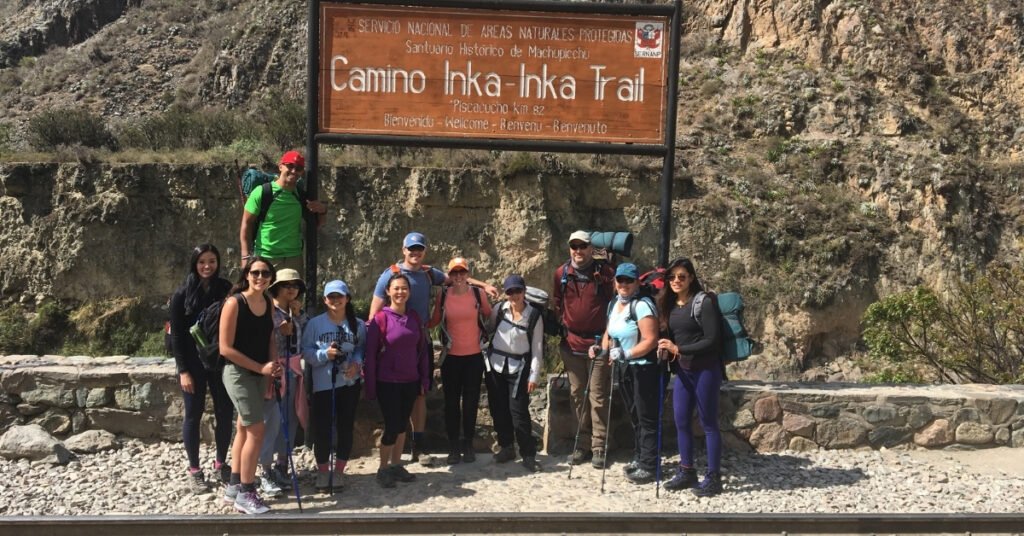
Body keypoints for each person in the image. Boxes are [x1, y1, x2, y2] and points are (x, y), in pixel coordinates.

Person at [368, 232, 497, 464]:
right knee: (394, 396)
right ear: (403, 250)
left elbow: (457, 278)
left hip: (421, 341)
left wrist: (483, 284)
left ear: (424, 251)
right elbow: (374, 314)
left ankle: (418, 446)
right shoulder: (390, 275)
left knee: (419, 393)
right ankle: (392, 454)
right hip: (394, 345)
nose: (415, 253)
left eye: (419, 249)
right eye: (411, 249)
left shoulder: (429, 274)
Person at [169, 244, 235, 494]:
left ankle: (221, 463)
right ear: (194, 264)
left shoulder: (225, 289)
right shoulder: (181, 295)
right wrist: (183, 370)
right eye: (202, 262)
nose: (207, 266)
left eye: (212, 261)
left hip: (218, 360)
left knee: (224, 411)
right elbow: (176, 336)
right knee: (193, 414)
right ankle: (195, 470)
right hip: (193, 363)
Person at [656, 257, 724, 497]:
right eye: (672, 277)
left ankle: (714, 477)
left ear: (691, 278)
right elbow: (673, 337)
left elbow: (711, 340)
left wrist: (679, 350)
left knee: (708, 424)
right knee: (681, 421)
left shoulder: (703, 302)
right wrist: (666, 348)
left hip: (705, 370)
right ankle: (687, 471)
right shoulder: (670, 304)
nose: (676, 281)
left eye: (681, 277)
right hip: (683, 371)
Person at [590, 263, 663, 484]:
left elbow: (651, 340)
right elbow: (609, 333)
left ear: (637, 283)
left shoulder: (642, 306)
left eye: (628, 280)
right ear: (615, 282)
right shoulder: (614, 304)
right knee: (635, 415)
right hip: (625, 367)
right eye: (620, 280)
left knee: (646, 416)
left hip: (644, 368)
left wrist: (626, 352)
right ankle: (640, 458)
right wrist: (601, 350)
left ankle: (650, 465)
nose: (623, 284)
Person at [220, 258, 282, 514]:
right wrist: (261, 369)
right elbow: (225, 349)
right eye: (255, 272)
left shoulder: (267, 302)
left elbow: (269, 337)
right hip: (238, 373)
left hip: (259, 373)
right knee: (257, 429)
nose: (260, 277)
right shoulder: (235, 303)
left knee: (244, 428)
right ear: (247, 275)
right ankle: (247, 492)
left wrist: (272, 365)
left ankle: (235, 485)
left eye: (265, 273)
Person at [552, 230, 615, 468]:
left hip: (599, 343)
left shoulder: (605, 273)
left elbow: (614, 303)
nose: (578, 251)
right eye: (574, 247)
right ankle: (582, 444)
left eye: (583, 246)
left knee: (597, 397)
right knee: (577, 395)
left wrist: (608, 338)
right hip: (572, 344)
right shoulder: (562, 274)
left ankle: (599, 446)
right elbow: (557, 303)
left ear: (591, 248)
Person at [364, 273, 430, 488]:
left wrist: (424, 378)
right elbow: (370, 355)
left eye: (404, 288)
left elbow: (421, 351)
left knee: (402, 425)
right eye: (396, 288)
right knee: (392, 426)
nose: (400, 292)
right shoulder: (380, 319)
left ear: (409, 292)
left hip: (410, 380)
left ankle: (396, 464)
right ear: (388, 291)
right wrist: (371, 387)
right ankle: (383, 469)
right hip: (387, 381)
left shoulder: (414, 318)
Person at [302, 279, 366, 493]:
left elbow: (360, 349)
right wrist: (324, 354)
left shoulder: (357, 324)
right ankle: (322, 470)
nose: (336, 300)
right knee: (322, 429)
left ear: (347, 298)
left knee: (345, 426)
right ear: (325, 300)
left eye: (340, 296)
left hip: (348, 383)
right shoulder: (315, 324)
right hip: (323, 385)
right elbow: (307, 353)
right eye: (331, 297)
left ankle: (339, 470)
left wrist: (356, 366)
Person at [427, 257, 492, 464]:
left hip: (474, 356)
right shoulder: (443, 294)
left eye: (462, 272)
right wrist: (415, 323)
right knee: (451, 403)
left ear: (467, 273)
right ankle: (454, 446)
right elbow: (435, 319)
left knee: (471, 403)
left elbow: (489, 316)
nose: (458, 276)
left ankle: (468, 445)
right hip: (451, 357)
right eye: (454, 273)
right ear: (449, 275)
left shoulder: (477, 293)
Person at [484, 275, 544, 472]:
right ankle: (506, 446)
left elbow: (537, 348)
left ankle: (528, 454)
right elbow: (487, 332)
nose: (514, 295)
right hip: (495, 365)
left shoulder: (534, 315)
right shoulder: (499, 310)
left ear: (524, 291)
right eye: (510, 291)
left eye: (517, 291)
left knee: (518, 411)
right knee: (498, 408)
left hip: (519, 367)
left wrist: (534, 376)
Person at [256, 268, 306, 498]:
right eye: (287, 285)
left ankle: (281, 465)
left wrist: (298, 318)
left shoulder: (297, 313)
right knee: (271, 422)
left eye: (295, 285)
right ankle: (265, 470)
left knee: (290, 418)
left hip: (294, 371)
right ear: (276, 288)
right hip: (275, 372)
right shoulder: (269, 313)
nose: (292, 288)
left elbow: (302, 342)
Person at [238, 150, 326, 271]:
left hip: (294, 258)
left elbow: (317, 224)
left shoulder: (300, 195)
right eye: (290, 166)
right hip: (266, 258)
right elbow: (246, 225)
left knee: (294, 290)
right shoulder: (262, 192)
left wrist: (322, 210)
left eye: (299, 168)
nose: (294, 171)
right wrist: (245, 257)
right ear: (280, 167)